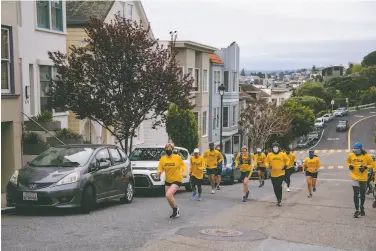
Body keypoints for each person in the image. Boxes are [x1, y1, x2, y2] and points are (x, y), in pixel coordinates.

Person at [157, 143, 187, 219]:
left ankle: (175, 210)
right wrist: (159, 172)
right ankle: (175, 209)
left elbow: (183, 166)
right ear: (165, 150)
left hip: (177, 179)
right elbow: (160, 167)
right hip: (168, 180)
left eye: (170, 149)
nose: (168, 150)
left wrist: (183, 173)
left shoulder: (177, 157)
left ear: (172, 150)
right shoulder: (163, 159)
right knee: (168, 197)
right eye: (167, 149)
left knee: (168, 195)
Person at [346, 142, 373, 218]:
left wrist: (365, 167)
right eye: (354, 148)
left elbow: (373, 164)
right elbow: (347, 161)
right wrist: (350, 165)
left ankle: (362, 207)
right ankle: (357, 210)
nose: (354, 150)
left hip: (363, 178)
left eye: (356, 149)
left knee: (362, 195)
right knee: (355, 194)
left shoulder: (366, 156)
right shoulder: (351, 155)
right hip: (354, 177)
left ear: (360, 149)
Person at [264, 142, 290, 206]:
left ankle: (279, 200)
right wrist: (268, 166)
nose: (275, 148)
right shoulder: (270, 155)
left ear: (279, 148)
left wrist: (285, 166)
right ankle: (278, 199)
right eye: (274, 147)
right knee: (275, 188)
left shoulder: (282, 154)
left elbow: (288, 160)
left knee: (278, 185)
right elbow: (266, 161)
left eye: (276, 147)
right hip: (273, 174)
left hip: (281, 173)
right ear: (272, 148)